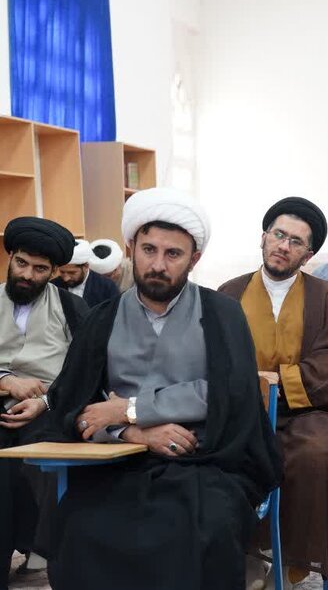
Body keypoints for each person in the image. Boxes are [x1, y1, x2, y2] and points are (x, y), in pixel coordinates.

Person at [43, 187, 282, 589]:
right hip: (120, 463)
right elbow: (77, 407)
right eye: (149, 250)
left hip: (208, 457)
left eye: (173, 254)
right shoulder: (101, 319)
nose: (158, 264)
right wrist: (132, 432)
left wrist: (129, 408)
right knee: (79, 525)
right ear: (131, 248)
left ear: (194, 259)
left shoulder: (221, 313)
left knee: (199, 526)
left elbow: (227, 392)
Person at [217, 197, 328, 588]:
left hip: (311, 411)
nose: (284, 245)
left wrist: (279, 382)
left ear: (308, 254)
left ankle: (295, 558)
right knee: (220, 453)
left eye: (296, 241)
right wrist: (252, 387)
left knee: (316, 452)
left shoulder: (324, 295)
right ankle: (245, 554)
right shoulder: (229, 293)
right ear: (263, 237)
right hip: (243, 409)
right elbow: (213, 356)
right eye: (278, 235)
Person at [0, 218, 88, 587]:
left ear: (53, 272)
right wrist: (6, 381)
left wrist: (47, 401)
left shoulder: (72, 309)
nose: (27, 275)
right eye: (21, 263)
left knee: (41, 453)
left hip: (50, 408)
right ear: (10, 258)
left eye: (39, 269)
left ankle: (41, 550)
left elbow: (86, 371)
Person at [52, 240, 118, 307]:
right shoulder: (53, 286)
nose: (66, 278)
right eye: (62, 272)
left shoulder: (107, 286)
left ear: (86, 266)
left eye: (72, 273)